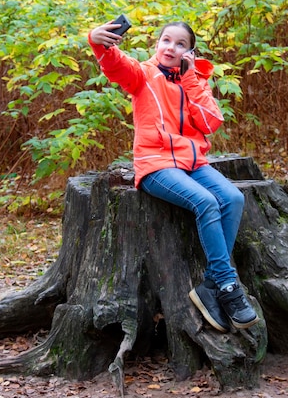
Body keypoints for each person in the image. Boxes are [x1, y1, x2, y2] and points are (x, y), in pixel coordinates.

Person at [88, 19, 259, 332]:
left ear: (189, 52)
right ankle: (227, 285)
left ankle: (210, 286)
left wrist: (192, 79)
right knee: (206, 202)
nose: (171, 48)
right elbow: (116, 67)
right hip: (156, 165)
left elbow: (209, 122)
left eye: (180, 44)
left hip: (192, 164)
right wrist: (100, 43)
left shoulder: (194, 81)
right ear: (157, 44)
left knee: (233, 198)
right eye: (166, 40)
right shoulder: (143, 74)